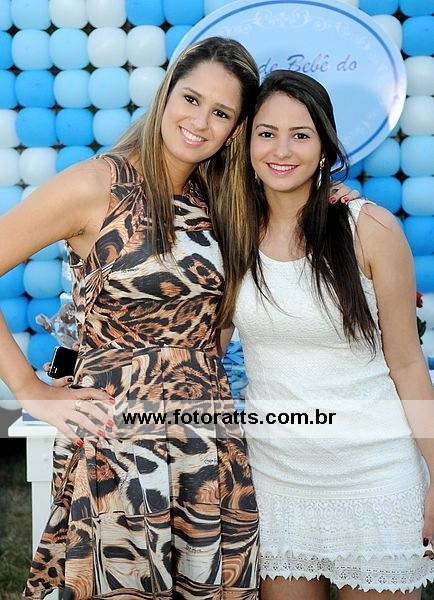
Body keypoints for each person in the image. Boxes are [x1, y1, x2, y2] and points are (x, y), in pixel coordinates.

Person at [1, 38, 355, 598]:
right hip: (120, 440)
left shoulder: (223, 198)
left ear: (236, 130)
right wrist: (29, 390)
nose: (199, 122)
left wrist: (330, 200)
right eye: (191, 99)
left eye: (221, 112)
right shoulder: (97, 184)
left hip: (207, 439)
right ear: (166, 94)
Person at [225, 70, 434, 599]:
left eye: (301, 135)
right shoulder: (231, 235)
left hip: (376, 476)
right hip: (277, 482)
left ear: (324, 146)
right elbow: (204, 348)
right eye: (267, 133)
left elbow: (408, 363)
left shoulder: (370, 228)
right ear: (246, 142)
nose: (282, 150)